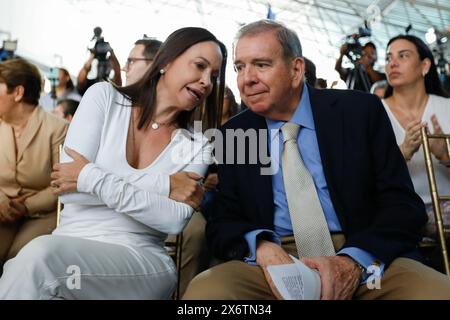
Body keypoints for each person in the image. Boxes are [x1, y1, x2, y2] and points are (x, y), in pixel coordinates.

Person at [183, 20, 450, 300]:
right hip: (275, 261)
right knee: (205, 294)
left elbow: (404, 206)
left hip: (365, 256)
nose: (246, 78)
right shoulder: (237, 134)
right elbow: (223, 221)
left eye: (261, 65)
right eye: (239, 67)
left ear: (296, 70)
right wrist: (260, 246)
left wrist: (353, 260)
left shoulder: (359, 112)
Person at [0, 27, 227, 299]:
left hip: (142, 262)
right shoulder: (104, 98)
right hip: (69, 246)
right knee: (34, 264)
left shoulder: (197, 144)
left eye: (213, 76)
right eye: (200, 66)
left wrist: (89, 176)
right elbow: (70, 190)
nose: (206, 82)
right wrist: (163, 184)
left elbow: (173, 219)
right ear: (166, 61)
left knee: (37, 258)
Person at [0, 59, 68, 269]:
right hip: (2, 208)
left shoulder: (57, 129)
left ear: (18, 92)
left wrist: (26, 206)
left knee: (19, 260)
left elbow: (63, 183)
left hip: (41, 213)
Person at [382, 35, 450, 238]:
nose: (392, 63)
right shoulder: (374, 112)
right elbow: (363, 177)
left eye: (403, 56)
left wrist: (445, 156)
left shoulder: (446, 108)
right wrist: (402, 152)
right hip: (397, 213)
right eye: (388, 58)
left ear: (425, 65)